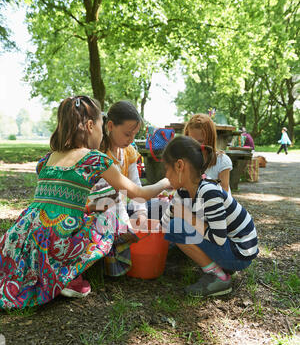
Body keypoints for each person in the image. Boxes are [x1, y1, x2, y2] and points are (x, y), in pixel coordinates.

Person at [0, 96, 170, 311]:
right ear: (91, 126)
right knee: (110, 214)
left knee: (99, 206)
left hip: (22, 235)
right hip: (57, 241)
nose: (102, 134)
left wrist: (91, 207)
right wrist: (166, 181)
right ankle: (65, 273)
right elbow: (138, 192)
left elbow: (59, 204)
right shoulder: (94, 159)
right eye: (100, 125)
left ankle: (46, 270)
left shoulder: (47, 160)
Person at [161, 136, 259, 297]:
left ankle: (218, 277)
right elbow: (164, 225)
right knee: (173, 228)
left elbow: (219, 238)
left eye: (166, 168)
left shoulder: (209, 192)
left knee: (176, 227)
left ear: (179, 166)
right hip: (227, 246)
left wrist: (187, 217)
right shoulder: (182, 192)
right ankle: (220, 266)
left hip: (239, 253)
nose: (166, 175)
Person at [86, 100, 148, 276]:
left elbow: (136, 186)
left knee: (157, 206)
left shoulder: (128, 152)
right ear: (111, 126)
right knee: (115, 209)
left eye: (135, 135)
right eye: (128, 134)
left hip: (120, 208)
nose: (131, 140)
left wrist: (141, 212)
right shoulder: (99, 154)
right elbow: (100, 196)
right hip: (101, 209)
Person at [183, 113, 233, 194]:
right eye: (191, 141)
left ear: (210, 139)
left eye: (200, 141)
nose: (195, 145)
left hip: (217, 204)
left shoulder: (221, 161)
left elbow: (224, 194)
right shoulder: (186, 160)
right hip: (195, 204)